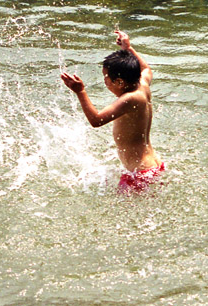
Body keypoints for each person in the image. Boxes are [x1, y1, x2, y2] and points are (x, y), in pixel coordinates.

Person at [61, 30, 163, 193]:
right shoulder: (142, 84)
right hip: (152, 164)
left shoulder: (130, 99)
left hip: (140, 173)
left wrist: (80, 92)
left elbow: (96, 120)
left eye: (106, 77)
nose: (105, 81)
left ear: (120, 82)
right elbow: (146, 69)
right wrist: (128, 48)